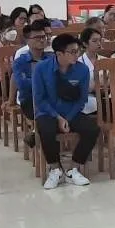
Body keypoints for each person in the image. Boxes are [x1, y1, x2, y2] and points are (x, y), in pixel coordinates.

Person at [33, 34, 98, 189]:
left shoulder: (82, 70)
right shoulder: (41, 68)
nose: (77, 55)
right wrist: (58, 118)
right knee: (46, 129)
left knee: (92, 129)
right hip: (49, 113)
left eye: (78, 51)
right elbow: (39, 99)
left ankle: (73, 170)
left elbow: (82, 99)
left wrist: (67, 117)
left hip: (72, 112)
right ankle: (55, 169)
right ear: (59, 54)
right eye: (72, 52)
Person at [78, 27, 104, 116]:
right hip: (88, 99)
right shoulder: (78, 63)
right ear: (85, 43)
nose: (99, 43)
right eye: (94, 41)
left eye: (100, 40)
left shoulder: (106, 60)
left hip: (105, 96)